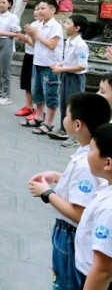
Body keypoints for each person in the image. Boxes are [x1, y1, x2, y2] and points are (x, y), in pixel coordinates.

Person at [28, 93, 111, 290]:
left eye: (66, 114)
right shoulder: (88, 155)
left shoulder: (86, 165)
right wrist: (58, 177)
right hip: (71, 234)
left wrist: (47, 193)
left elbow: (78, 212)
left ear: (77, 125)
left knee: (64, 283)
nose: (63, 118)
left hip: (70, 234)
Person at [70, 122, 112, 288]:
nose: (88, 154)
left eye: (92, 149)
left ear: (108, 163)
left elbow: (103, 269)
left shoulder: (108, 209)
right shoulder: (106, 186)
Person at [19, 0, 64, 136]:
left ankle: (49, 123)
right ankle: (38, 117)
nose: (39, 11)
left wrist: (36, 34)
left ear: (52, 10)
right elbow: (35, 44)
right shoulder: (38, 24)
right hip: (37, 62)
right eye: (38, 8)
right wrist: (29, 37)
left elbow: (51, 45)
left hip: (50, 65)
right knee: (37, 91)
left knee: (50, 93)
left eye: (42, 8)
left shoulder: (55, 26)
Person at [48, 14, 91, 146]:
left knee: (75, 107)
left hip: (76, 78)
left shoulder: (81, 45)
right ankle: (64, 129)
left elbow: (82, 66)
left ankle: (76, 138)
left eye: (68, 23)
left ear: (77, 28)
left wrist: (62, 69)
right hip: (67, 74)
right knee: (64, 103)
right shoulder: (69, 41)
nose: (65, 25)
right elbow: (68, 61)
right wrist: (60, 65)